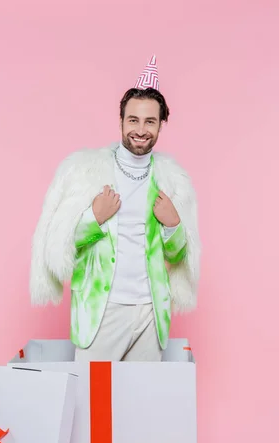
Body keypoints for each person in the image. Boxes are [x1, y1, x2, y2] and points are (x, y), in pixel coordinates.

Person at [30, 55, 201, 361]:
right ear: (121, 120)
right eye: (133, 120)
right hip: (102, 309)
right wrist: (94, 218)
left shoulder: (172, 181)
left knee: (140, 403)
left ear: (162, 124)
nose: (141, 129)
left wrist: (174, 225)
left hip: (151, 312)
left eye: (150, 121)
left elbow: (176, 256)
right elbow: (62, 245)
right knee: (90, 400)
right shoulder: (87, 173)